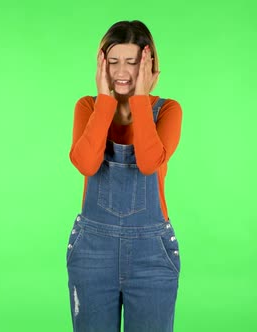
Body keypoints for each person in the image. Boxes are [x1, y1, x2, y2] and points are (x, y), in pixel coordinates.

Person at [66, 20, 183, 332]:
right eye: (113, 61)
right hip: (92, 253)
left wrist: (140, 99)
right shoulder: (87, 107)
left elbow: (148, 162)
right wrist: (105, 102)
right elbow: (87, 164)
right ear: (101, 65)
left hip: (151, 256)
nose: (121, 72)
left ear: (148, 65)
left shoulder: (168, 111)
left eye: (131, 63)